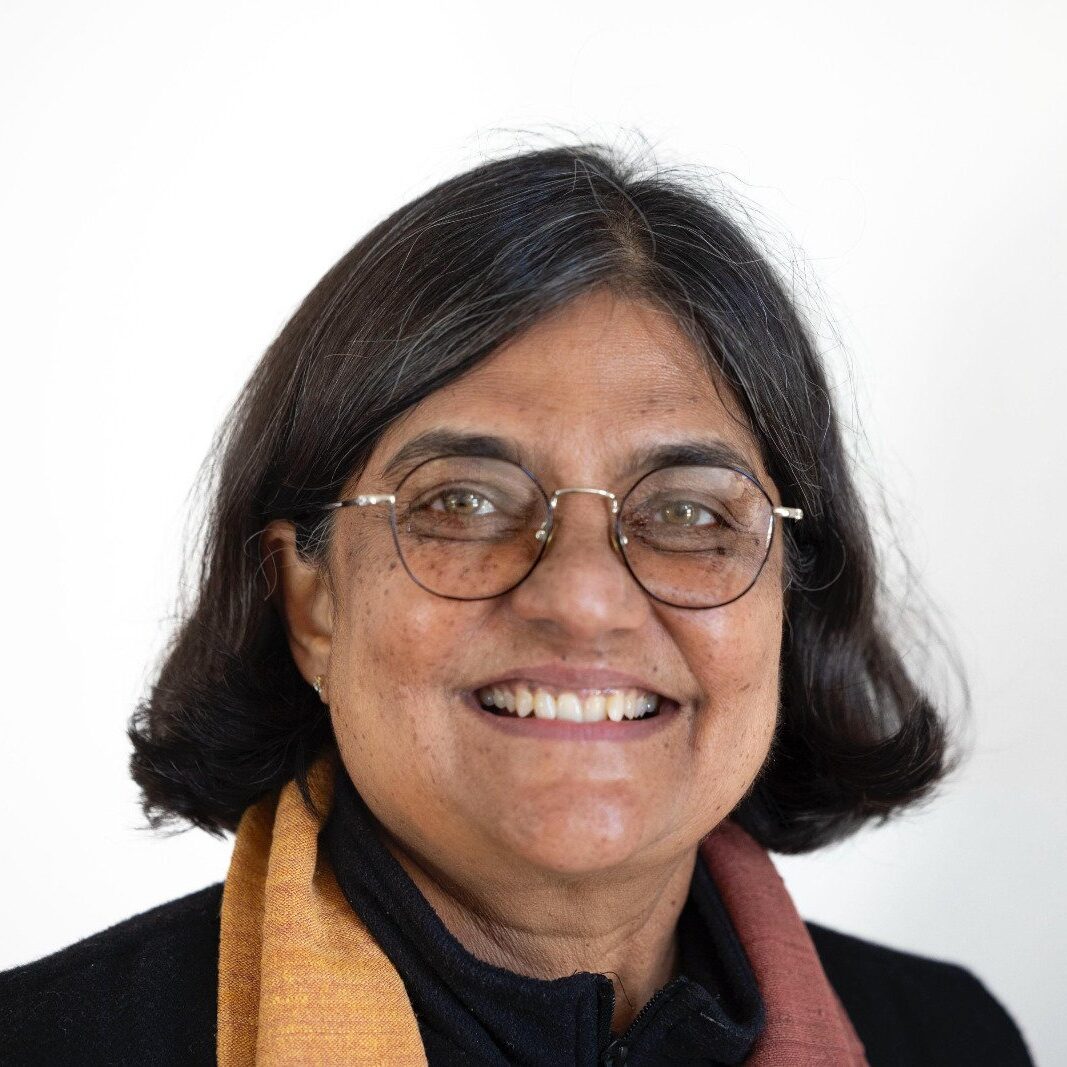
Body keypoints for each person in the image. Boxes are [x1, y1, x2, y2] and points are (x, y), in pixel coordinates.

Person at [0, 143, 1034, 1066]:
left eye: (685, 509)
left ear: (785, 598)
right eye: (460, 500)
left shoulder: (946, 1037)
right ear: (309, 600)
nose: (583, 599)